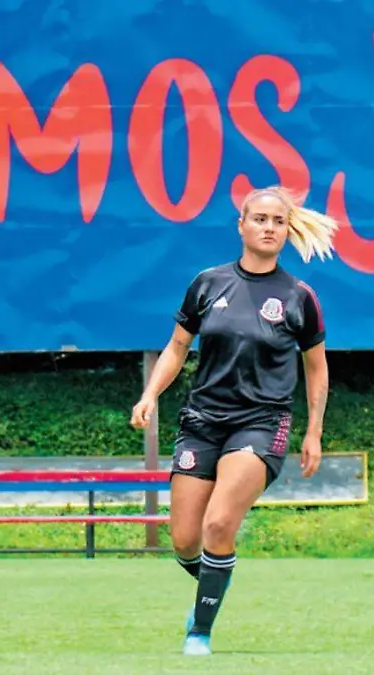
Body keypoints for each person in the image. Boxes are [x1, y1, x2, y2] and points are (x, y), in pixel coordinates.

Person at [130, 185, 336, 656]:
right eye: (259, 219)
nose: (268, 227)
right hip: (203, 420)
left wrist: (314, 431)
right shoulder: (207, 283)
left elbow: (317, 367)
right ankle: (213, 585)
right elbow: (178, 347)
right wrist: (150, 394)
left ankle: (199, 630)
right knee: (184, 540)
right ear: (241, 225)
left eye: (277, 221)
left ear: (287, 230)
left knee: (218, 525)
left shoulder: (298, 296)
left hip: (261, 422)